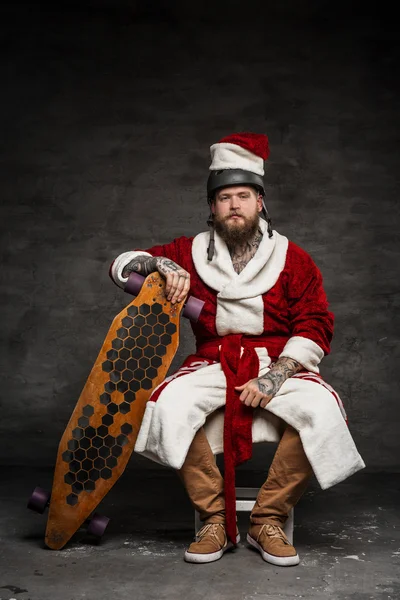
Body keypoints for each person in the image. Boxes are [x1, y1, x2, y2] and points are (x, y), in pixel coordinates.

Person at [109, 133, 365, 566]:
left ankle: (268, 519)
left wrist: (273, 377)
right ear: (212, 206)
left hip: (280, 362)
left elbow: (316, 325)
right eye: (224, 197)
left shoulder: (294, 259)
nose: (233, 205)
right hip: (212, 361)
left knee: (323, 408)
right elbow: (120, 267)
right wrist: (159, 263)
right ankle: (214, 518)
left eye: (243, 196)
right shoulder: (187, 253)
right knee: (167, 404)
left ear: (260, 202)